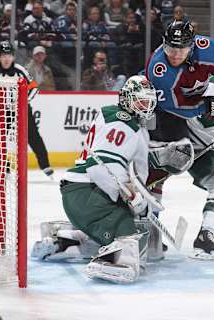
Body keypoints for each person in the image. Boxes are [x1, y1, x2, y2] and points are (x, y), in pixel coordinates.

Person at [32, 75, 157, 284]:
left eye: (148, 101)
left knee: (120, 233)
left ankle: (63, 242)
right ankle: (116, 262)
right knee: (130, 234)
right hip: (87, 193)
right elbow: (99, 168)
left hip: (80, 195)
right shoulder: (123, 123)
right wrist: (129, 196)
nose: (145, 105)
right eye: (140, 100)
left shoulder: (118, 118)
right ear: (126, 98)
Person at [145, 20, 214, 260]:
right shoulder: (159, 68)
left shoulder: (209, 51)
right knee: (157, 174)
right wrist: (205, 107)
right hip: (166, 121)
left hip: (199, 140)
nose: (174, 55)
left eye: (180, 50)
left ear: (192, 46)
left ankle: (206, 238)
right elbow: (172, 107)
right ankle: (148, 233)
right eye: (170, 48)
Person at [0, 40, 54, 178]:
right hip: (1, 111)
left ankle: (45, 165)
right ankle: (3, 167)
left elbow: (34, 88)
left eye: (9, 55)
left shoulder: (20, 70)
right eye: (3, 55)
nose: (6, 58)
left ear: (13, 57)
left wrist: (22, 102)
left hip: (21, 110)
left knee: (33, 136)